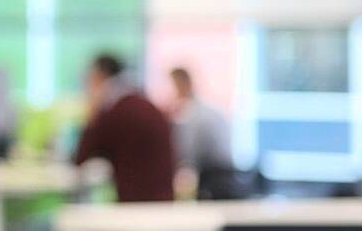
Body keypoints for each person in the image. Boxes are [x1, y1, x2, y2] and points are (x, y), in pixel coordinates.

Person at [73, 54, 175, 202]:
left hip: (136, 206)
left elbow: (81, 157)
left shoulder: (114, 112)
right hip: (161, 201)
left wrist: (92, 111)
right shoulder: (143, 104)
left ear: (101, 76)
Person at [168, 67, 242, 200]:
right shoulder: (208, 109)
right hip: (226, 173)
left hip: (214, 177)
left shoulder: (195, 114)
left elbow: (188, 151)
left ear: (183, 84)